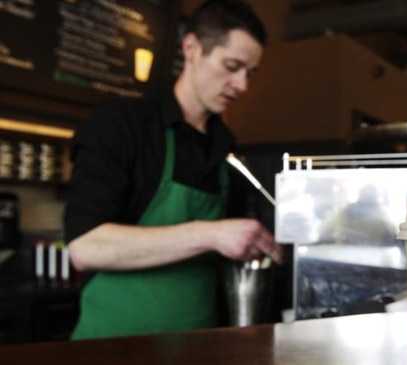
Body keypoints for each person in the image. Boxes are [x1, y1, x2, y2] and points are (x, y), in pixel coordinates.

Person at [64, 0, 283, 340]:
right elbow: (85, 248)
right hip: (111, 348)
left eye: (249, 73)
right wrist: (211, 234)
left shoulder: (227, 150)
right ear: (192, 48)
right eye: (232, 66)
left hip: (201, 348)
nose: (242, 85)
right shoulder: (120, 124)